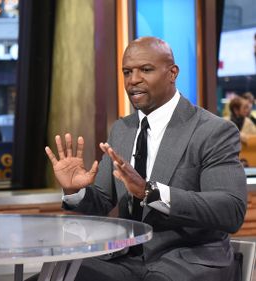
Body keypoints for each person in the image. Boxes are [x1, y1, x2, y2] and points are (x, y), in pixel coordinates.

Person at [44, 37, 247, 281]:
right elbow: (102, 203)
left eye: (146, 70)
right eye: (127, 72)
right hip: (124, 260)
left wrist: (150, 193)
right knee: (53, 276)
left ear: (172, 73)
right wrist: (76, 190)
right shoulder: (122, 129)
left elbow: (230, 210)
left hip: (188, 260)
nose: (133, 80)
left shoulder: (213, 131)